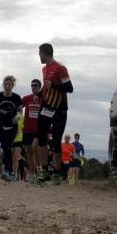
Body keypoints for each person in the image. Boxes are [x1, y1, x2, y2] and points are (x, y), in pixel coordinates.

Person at [37, 43, 74, 181]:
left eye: (39, 53)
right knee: (41, 138)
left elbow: (69, 88)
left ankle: (57, 173)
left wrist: (53, 85)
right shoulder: (44, 69)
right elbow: (46, 88)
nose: (39, 56)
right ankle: (44, 170)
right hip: (46, 106)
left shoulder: (60, 68)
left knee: (56, 140)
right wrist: (39, 94)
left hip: (59, 108)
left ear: (44, 53)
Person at [0, 75, 22, 182]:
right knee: (5, 147)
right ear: (3, 85)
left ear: (13, 86)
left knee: (7, 147)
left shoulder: (16, 97)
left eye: (9, 85)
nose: (7, 86)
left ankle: (9, 171)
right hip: (0, 126)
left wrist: (18, 116)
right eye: (5, 84)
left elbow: (21, 111)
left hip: (12, 127)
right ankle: (9, 171)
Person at [22, 79, 44, 183]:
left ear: (40, 87)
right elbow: (18, 107)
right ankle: (32, 174)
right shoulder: (26, 98)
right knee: (29, 152)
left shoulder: (43, 99)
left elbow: (48, 111)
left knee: (35, 148)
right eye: (32, 85)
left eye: (35, 85)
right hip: (27, 129)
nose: (33, 87)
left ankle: (40, 171)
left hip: (39, 129)